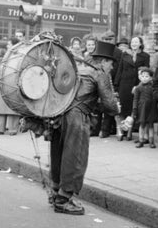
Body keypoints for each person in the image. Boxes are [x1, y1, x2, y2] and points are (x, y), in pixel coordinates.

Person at [49, 41, 120, 215]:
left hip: (59, 115)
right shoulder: (99, 74)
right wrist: (117, 108)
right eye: (111, 63)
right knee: (76, 156)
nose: (112, 67)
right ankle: (63, 199)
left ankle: (55, 192)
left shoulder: (78, 69)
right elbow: (110, 105)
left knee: (58, 154)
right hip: (77, 118)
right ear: (103, 61)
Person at [114, 36, 150, 141]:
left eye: (136, 42)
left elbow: (145, 71)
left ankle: (129, 131)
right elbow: (120, 70)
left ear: (140, 44)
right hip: (124, 84)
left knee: (132, 108)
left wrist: (140, 85)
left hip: (137, 85)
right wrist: (116, 85)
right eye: (132, 42)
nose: (134, 44)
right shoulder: (125, 54)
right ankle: (120, 130)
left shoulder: (145, 56)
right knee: (122, 108)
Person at [0, 37, 21, 135]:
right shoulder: (7, 54)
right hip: (3, 82)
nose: (7, 46)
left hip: (13, 83)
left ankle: (13, 129)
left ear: (14, 45)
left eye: (8, 44)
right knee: (1, 106)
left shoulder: (20, 55)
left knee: (13, 106)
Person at [97, 30, 123, 139]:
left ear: (114, 40)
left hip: (113, 79)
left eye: (110, 39)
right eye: (106, 39)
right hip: (102, 78)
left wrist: (116, 82)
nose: (108, 41)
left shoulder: (118, 52)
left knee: (111, 103)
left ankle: (109, 130)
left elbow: (120, 68)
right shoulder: (101, 49)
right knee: (103, 105)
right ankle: (103, 129)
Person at [132, 67, 156, 148]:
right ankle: (141, 140)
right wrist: (134, 109)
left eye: (147, 76)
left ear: (151, 78)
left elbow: (155, 97)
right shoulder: (138, 88)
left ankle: (151, 141)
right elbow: (135, 99)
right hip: (141, 108)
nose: (144, 78)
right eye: (143, 76)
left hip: (151, 108)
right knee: (142, 125)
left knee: (151, 125)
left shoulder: (153, 87)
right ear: (140, 77)